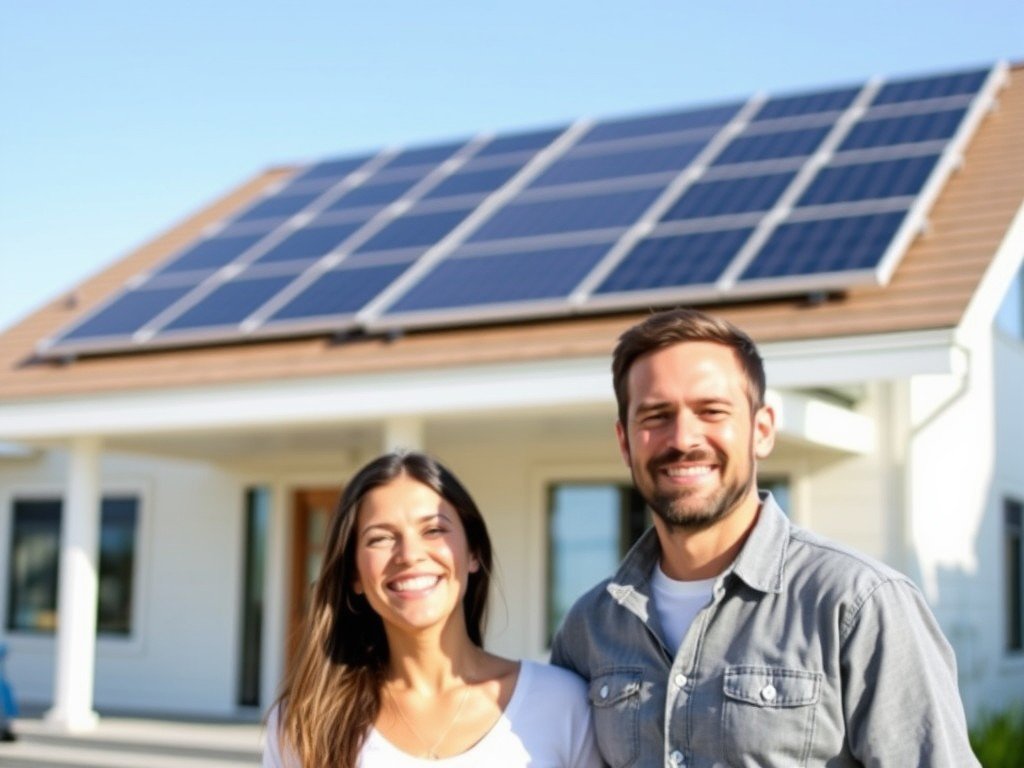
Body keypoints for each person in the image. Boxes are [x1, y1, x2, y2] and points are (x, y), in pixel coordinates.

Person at [550, 308, 979, 767]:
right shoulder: (589, 629)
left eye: (711, 411)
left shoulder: (859, 605)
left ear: (762, 429)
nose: (683, 438)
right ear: (624, 442)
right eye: (656, 415)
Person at [264, 450, 602, 768]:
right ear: (353, 573)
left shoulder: (563, 703)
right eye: (380, 538)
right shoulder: (304, 723)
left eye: (434, 530)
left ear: (473, 554)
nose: (409, 554)